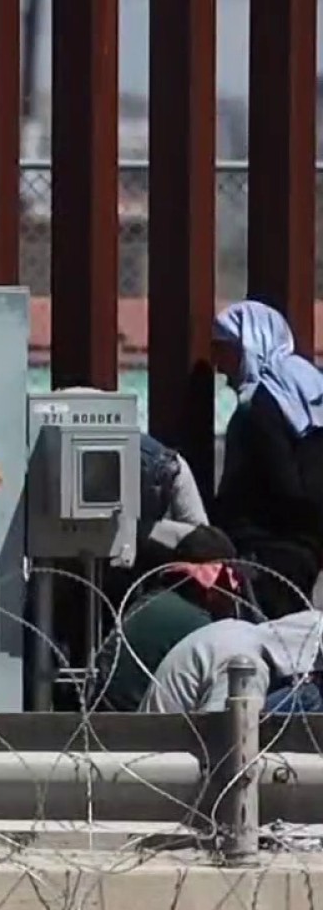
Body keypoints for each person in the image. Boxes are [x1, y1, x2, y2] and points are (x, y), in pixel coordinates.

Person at [210, 301, 323, 617]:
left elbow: (283, 481)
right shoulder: (306, 386)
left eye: (223, 349)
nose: (219, 365)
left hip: (267, 550)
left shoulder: (260, 406)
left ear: (249, 344)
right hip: (306, 544)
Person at [139, 609, 323, 715]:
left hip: (163, 735)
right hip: (174, 754)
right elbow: (225, 735)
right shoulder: (249, 667)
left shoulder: (237, 629)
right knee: (309, 696)